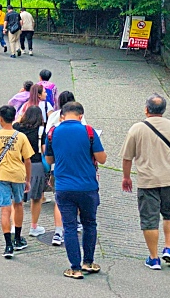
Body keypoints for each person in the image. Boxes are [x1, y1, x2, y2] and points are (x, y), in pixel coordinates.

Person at [120, 93, 170, 271]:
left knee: (149, 219)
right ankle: (169, 247)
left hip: (148, 180)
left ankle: (154, 258)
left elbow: (127, 157)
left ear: (146, 110)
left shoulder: (137, 129)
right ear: (164, 110)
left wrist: (127, 177)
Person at [45, 101, 106, 278]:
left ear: (62, 116)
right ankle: (88, 262)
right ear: (80, 116)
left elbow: (49, 160)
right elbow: (102, 159)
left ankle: (75, 268)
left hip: (64, 187)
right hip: (88, 187)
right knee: (89, 223)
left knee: (69, 226)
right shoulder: (88, 131)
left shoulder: (53, 132)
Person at [0, 104, 34, 259]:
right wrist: (28, 179)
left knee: (5, 209)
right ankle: (18, 238)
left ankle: (8, 245)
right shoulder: (21, 137)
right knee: (18, 204)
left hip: (2, 175)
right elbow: (27, 160)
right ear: (14, 118)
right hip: (18, 174)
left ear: (0, 119)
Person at [46, 89, 85, 246]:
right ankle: (76, 222)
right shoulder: (80, 119)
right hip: (78, 163)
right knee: (78, 195)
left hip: (58, 163)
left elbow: (46, 138)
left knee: (59, 199)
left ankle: (58, 232)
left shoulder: (54, 118)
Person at [15, 105, 48, 237]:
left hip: (18, 164)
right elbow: (44, 149)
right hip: (36, 164)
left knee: (17, 199)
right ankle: (33, 226)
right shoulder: (41, 130)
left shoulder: (17, 128)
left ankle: (15, 227)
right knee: (36, 197)